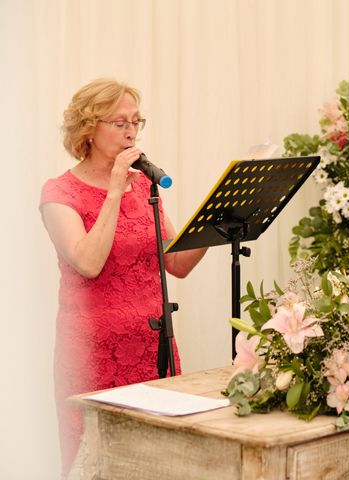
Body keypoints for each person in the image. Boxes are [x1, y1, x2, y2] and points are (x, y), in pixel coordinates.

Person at [39, 79, 207, 478]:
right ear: (88, 129)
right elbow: (88, 262)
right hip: (92, 356)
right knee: (100, 464)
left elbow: (177, 263)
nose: (132, 131)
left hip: (153, 347)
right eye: (119, 122)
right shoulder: (59, 193)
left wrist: (216, 224)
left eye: (136, 121)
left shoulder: (145, 185)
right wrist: (114, 191)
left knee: (160, 462)